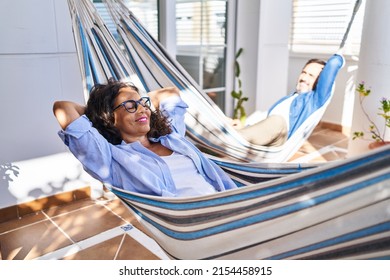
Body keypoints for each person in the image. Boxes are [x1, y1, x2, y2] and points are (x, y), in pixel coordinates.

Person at [53, 79, 237, 197]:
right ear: (109, 118)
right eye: (130, 105)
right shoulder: (110, 160)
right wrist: (98, 114)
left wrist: (133, 100)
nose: (142, 109)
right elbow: (63, 107)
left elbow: (170, 92)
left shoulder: (171, 135)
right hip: (191, 221)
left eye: (143, 103)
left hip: (229, 200)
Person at [234, 53, 345, 146]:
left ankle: (232, 138)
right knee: (230, 121)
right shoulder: (289, 99)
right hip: (263, 137)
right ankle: (234, 135)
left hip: (278, 140)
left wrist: (339, 57)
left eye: (311, 76)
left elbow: (333, 64)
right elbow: (265, 124)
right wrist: (245, 126)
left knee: (277, 121)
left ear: (319, 82)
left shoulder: (314, 100)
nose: (304, 78)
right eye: (304, 72)